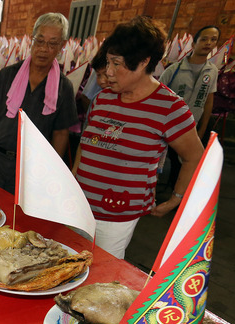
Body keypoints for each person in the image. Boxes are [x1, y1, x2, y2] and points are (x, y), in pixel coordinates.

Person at [73, 16, 204, 259]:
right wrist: (72, 180)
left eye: (117, 64)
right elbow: (86, 144)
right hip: (77, 205)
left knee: (103, 271)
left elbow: (195, 157)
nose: (108, 72)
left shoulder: (169, 107)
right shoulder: (103, 98)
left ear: (143, 62)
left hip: (116, 215)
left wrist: (177, 198)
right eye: (108, 62)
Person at [0, 12, 78, 194]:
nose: (44, 49)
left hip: (32, 168)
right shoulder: (7, 75)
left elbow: (61, 134)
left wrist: (51, 172)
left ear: (61, 47)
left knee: (19, 219)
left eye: (52, 43)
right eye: (39, 41)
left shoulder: (64, 87)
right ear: (32, 40)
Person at [159, 25, 220, 189]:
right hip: (172, 125)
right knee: (175, 162)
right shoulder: (174, 70)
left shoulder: (212, 71)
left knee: (191, 162)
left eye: (213, 40)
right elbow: (157, 97)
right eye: (204, 39)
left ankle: (179, 194)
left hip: (195, 123)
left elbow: (208, 100)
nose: (208, 43)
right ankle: (173, 190)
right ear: (194, 44)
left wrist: (203, 128)